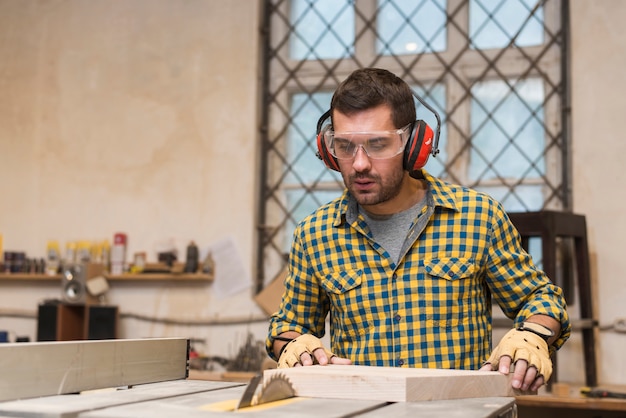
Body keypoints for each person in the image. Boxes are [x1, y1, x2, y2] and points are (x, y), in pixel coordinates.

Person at [266, 67, 570, 392]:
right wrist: (292, 346)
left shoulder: (478, 218)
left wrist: (532, 335)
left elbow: (541, 298)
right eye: (344, 146)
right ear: (328, 151)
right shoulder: (315, 235)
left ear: (414, 144)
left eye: (378, 145)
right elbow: (289, 326)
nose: (359, 164)